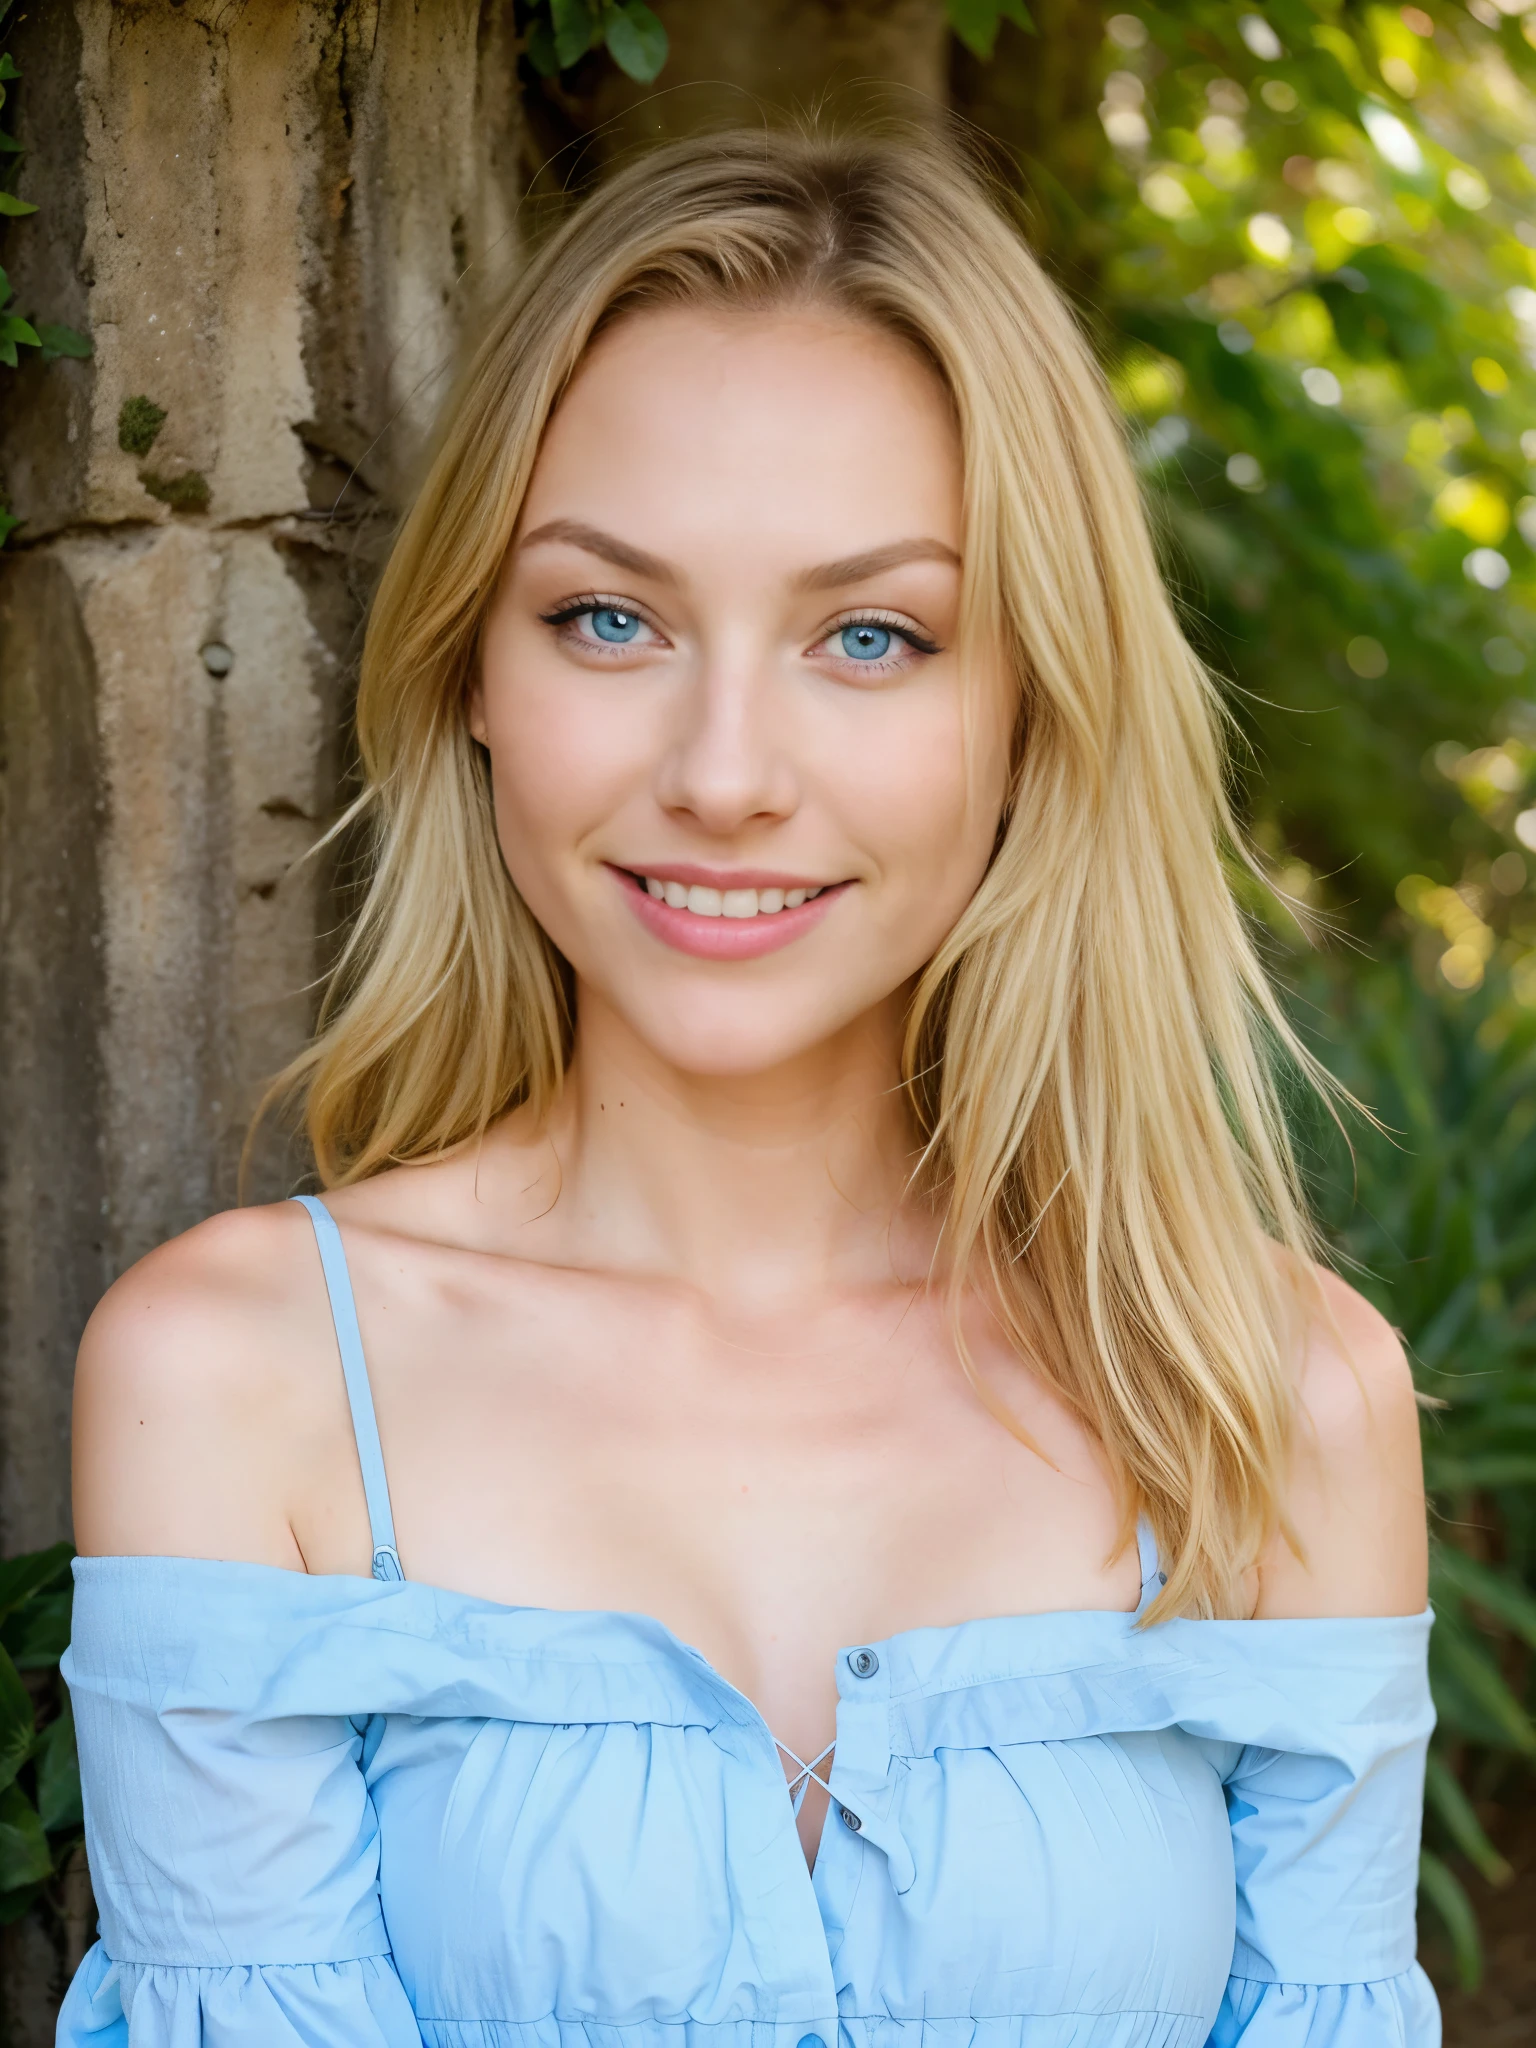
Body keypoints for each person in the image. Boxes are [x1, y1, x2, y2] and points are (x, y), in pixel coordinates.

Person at [58, 127, 1434, 2048]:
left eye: (871, 635)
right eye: (607, 618)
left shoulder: (1273, 1400)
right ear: (472, 667)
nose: (722, 772)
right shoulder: (246, 1378)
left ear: (1035, 707)